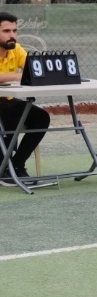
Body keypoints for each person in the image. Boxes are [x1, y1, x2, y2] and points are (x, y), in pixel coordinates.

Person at [0, 12, 51, 185]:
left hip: (8, 100)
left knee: (40, 117)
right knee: (9, 114)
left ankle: (16, 165)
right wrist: (15, 77)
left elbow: (34, 69)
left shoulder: (17, 49)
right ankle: (4, 167)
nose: (12, 35)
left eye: (15, 31)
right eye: (6, 31)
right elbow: (20, 77)